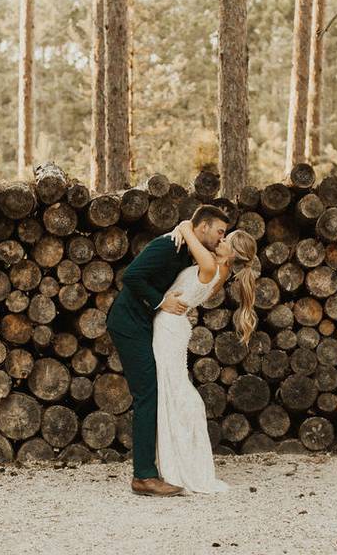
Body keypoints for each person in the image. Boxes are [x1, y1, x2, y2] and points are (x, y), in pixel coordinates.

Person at [105, 205, 230, 497]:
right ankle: (144, 476)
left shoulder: (188, 249)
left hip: (147, 325)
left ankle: (160, 465)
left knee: (154, 391)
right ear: (203, 227)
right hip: (128, 324)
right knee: (147, 392)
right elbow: (132, 276)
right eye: (219, 231)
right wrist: (160, 302)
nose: (221, 237)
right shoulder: (167, 246)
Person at [154, 218, 258, 493]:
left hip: (169, 328)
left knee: (176, 392)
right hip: (172, 326)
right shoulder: (218, 267)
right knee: (174, 391)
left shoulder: (212, 267)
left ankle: (180, 465)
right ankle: (172, 459)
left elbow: (190, 230)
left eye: (226, 240)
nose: (219, 240)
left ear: (232, 255)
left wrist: (183, 227)